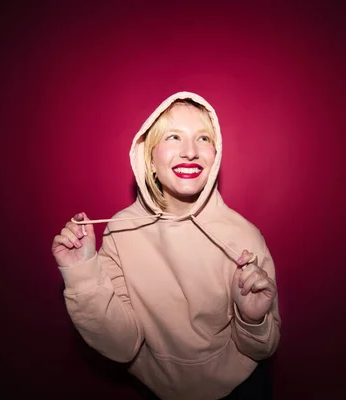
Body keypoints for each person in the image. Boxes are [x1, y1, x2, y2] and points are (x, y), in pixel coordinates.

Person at [51, 92, 281, 399]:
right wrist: (82, 272)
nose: (190, 152)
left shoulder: (245, 237)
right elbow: (120, 345)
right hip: (160, 392)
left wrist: (252, 320)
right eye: (174, 136)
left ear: (216, 153)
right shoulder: (121, 231)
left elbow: (263, 348)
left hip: (242, 390)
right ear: (149, 157)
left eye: (203, 138)